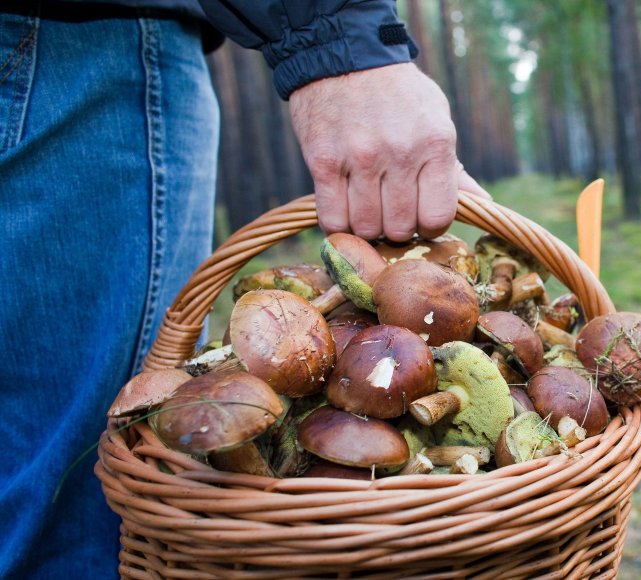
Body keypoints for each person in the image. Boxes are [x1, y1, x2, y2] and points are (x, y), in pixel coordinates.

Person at [0, 1, 487, 577]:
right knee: (83, 501)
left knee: (31, 473)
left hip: (48, 50)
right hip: (80, 44)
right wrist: (343, 44)